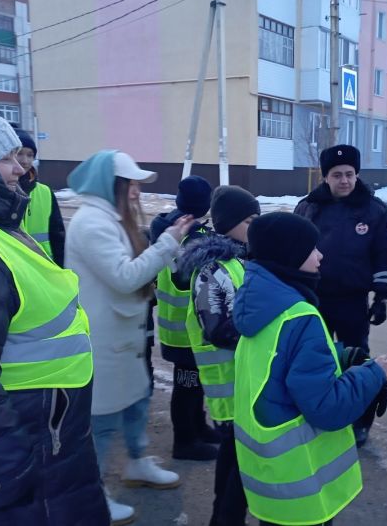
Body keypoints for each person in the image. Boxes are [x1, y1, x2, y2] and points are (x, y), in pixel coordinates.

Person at [0, 97, 109, 525]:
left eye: (20, 155)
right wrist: (10, 472)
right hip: (26, 448)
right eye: (5, 157)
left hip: (46, 435)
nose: (20, 168)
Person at [233, 212, 387, 526]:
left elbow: (280, 362)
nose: (321, 255)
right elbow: (327, 407)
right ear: (289, 255)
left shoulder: (260, 303)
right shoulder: (301, 315)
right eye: (312, 249)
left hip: (267, 475)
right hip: (301, 481)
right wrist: (374, 373)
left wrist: (339, 356)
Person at [65, 150, 193, 525]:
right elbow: (124, 276)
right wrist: (167, 242)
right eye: (132, 184)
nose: (137, 192)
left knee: (137, 400)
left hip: (125, 332)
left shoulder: (113, 218)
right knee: (102, 420)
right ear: (113, 186)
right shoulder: (92, 223)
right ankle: (94, 493)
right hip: (104, 337)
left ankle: (137, 464)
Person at [294, 144, 387, 447]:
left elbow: (384, 254)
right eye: (337, 175)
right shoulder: (308, 207)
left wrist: (381, 297)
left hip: (353, 301)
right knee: (317, 359)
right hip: (314, 299)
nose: (344, 181)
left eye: (349, 174)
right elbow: (294, 251)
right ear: (325, 177)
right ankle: (320, 412)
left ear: (357, 175)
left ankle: (360, 420)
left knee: (358, 359)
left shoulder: (373, 209)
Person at [177, 185, 261, 526]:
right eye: (249, 220)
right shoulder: (214, 269)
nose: (255, 226)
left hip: (244, 384)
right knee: (236, 469)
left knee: (234, 463)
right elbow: (217, 330)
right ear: (228, 224)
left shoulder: (242, 260)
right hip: (229, 388)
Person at [151, 175, 222, 461]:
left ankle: (198, 427)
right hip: (184, 329)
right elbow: (183, 277)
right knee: (187, 385)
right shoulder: (186, 234)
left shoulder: (169, 225)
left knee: (194, 384)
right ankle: (185, 440)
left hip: (183, 326)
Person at [13, 127, 66, 266]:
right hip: (14, 266)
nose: (25, 160)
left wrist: (60, 269)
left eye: (30, 155)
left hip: (43, 267)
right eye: (20, 153)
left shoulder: (45, 192)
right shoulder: (0, 190)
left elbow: (58, 237)